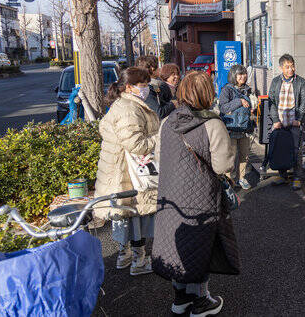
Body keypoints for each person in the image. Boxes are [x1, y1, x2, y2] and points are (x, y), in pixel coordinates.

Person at [152, 71, 239, 317]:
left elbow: (160, 158)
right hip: (202, 196)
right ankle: (201, 302)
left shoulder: (168, 122)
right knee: (200, 246)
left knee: (177, 245)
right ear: (208, 94)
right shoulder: (213, 124)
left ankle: (180, 299)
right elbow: (222, 166)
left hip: (170, 195)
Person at [95, 67, 160, 275]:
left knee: (124, 215)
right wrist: (161, 137)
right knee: (135, 214)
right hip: (127, 172)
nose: (146, 89)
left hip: (118, 169)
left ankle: (125, 256)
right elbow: (137, 145)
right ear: (129, 87)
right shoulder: (129, 109)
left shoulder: (124, 104)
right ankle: (138, 261)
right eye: (143, 85)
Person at [267, 54, 305, 187]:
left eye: (292, 66)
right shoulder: (275, 81)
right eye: (287, 67)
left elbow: (304, 102)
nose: (291, 69)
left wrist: (299, 119)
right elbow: (271, 102)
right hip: (280, 122)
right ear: (281, 68)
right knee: (281, 148)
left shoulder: (301, 82)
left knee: (296, 151)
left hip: (294, 122)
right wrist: (275, 120)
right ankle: (283, 176)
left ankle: (297, 178)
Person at [218, 64, 255, 190]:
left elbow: (250, 106)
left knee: (244, 155)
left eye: (244, 73)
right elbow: (223, 108)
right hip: (231, 128)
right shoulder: (227, 90)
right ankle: (228, 180)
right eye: (240, 74)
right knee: (230, 156)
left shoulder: (248, 89)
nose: (243, 76)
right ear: (234, 75)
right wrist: (239, 101)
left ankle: (241, 178)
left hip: (245, 128)